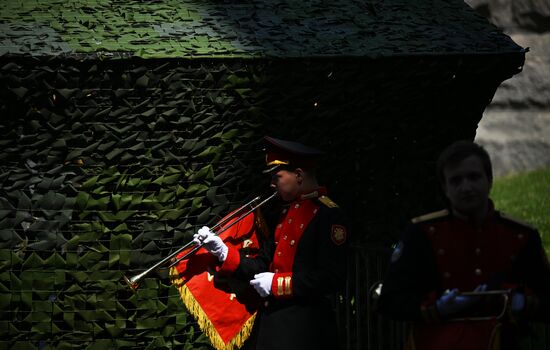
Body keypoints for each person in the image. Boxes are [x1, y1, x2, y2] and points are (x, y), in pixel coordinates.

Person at [378, 140, 550, 350]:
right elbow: (390, 300)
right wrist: (436, 307)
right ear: (445, 188)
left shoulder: (520, 235)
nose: (466, 187)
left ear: (490, 180)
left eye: (474, 177)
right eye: (456, 180)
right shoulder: (420, 233)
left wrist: (522, 302)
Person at [193, 136, 350, 350]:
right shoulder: (284, 212)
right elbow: (261, 265)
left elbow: (332, 277)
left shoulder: (328, 215)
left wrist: (277, 284)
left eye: (277, 177)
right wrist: (222, 251)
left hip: (306, 328)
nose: (272, 184)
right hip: (274, 323)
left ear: (298, 175)